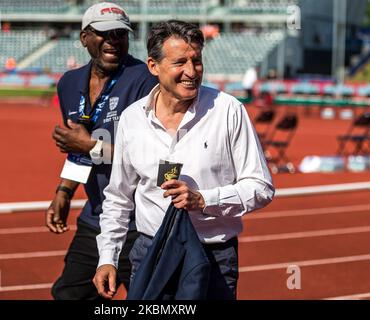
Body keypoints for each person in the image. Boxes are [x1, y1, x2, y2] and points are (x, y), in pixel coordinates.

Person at [93, 20, 274, 300]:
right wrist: (107, 257)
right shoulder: (132, 119)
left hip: (212, 257)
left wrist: (204, 200)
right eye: (180, 62)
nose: (191, 72)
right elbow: (118, 197)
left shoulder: (228, 111)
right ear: (153, 66)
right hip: (150, 252)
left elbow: (261, 187)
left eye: (197, 61)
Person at [45, 2, 158, 300]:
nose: (113, 40)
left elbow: (153, 158)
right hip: (97, 216)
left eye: (120, 33)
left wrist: (91, 146)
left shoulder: (148, 81)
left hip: (144, 221)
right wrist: (65, 191)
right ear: (84, 38)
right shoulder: (69, 84)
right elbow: (78, 145)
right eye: (104, 33)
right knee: (69, 295)